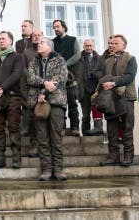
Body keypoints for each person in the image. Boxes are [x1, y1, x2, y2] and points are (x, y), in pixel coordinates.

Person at [27, 37, 69, 181]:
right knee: (42, 138)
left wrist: (43, 93)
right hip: (38, 104)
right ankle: (46, 169)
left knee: (56, 137)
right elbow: (30, 78)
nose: (38, 44)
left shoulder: (60, 60)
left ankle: (58, 169)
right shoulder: (33, 61)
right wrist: (44, 83)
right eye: (38, 43)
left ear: (49, 47)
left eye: (42, 43)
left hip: (56, 102)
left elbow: (61, 78)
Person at [0, 31, 25, 169]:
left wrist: (1, 88)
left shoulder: (17, 57)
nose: (0, 41)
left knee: (14, 127)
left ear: (11, 41)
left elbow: (16, 74)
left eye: (3, 39)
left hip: (13, 96)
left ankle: (16, 159)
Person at [99, 34, 137, 167]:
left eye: (116, 43)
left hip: (126, 97)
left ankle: (128, 156)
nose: (113, 45)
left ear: (124, 45)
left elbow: (129, 77)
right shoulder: (107, 61)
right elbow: (103, 77)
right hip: (110, 98)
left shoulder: (130, 59)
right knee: (111, 129)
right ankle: (113, 156)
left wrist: (113, 83)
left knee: (127, 128)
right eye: (112, 43)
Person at [52, 19, 81, 136]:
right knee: (60, 105)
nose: (56, 29)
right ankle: (61, 128)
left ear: (64, 27)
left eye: (58, 26)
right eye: (54, 27)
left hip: (70, 78)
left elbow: (77, 55)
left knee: (72, 104)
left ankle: (75, 128)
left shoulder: (73, 40)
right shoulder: (53, 42)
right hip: (57, 79)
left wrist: (65, 64)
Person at [21, 29, 43, 157]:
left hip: (47, 92)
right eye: (34, 35)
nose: (36, 37)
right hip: (31, 91)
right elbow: (23, 73)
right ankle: (34, 144)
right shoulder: (26, 53)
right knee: (33, 120)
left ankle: (44, 145)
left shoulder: (48, 52)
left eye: (39, 35)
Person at [16, 20, 35, 138]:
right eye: (22, 26)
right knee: (24, 101)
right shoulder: (18, 43)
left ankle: (31, 128)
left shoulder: (35, 41)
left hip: (33, 73)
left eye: (25, 26)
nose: (23, 28)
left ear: (31, 28)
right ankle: (25, 127)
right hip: (22, 75)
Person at [79, 39, 102, 135]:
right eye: (87, 46)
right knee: (85, 114)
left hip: (96, 88)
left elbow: (102, 73)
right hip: (84, 89)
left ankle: (98, 130)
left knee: (97, 111)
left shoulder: (99, 58)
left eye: (90, 46)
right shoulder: (79, 58)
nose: (89, 48)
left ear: (93, 46)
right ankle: (85, 134)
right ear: (83, 46)